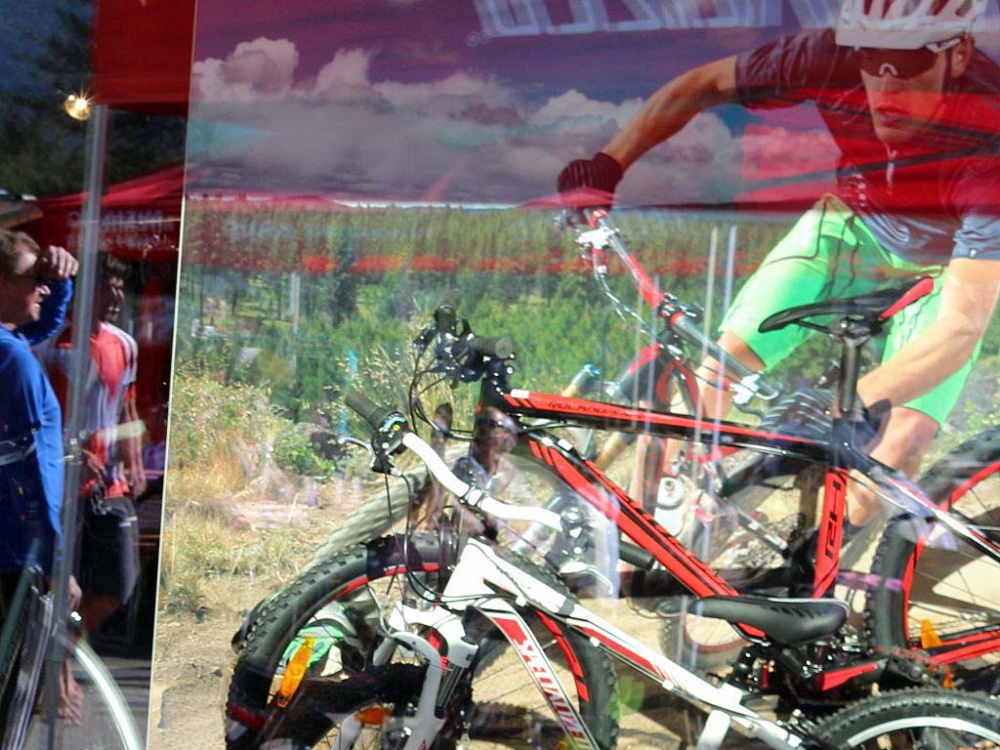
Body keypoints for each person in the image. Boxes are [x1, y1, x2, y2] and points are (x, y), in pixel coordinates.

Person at [557, 0, 1000, 533]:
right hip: (848, 227)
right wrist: (609, 164)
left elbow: (960, 328)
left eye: (908, 64)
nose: (887, 87)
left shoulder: (991, 137)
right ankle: (661, 531)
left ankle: (817, 567)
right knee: (718, 370)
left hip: (945, 264)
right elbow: (704, 84)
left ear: (959, 54)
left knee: (900, 441)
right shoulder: (825, 56)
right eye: (871, 58)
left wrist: (847, 404)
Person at [34, 251, 145, 640]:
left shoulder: (125, 343)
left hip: (107, 485)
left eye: (120, 287)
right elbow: (35, 412)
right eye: (107, 287)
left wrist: (134, 464)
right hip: (59, 483)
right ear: (84, 291)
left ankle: (65, 649)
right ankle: (52, 662)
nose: (116, 296)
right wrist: (70, 453)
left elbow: (127, 407)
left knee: (118, 585)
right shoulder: (49, 340)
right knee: (57, 585)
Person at [0, 228, 82, 724]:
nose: (44, 289)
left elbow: (40, 323)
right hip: (13, 551)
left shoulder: (9, 346)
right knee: (10, 703)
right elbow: (27, 473)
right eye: (36, 279)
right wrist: (55, 561)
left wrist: (61, 279)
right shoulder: (13, 360)